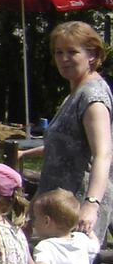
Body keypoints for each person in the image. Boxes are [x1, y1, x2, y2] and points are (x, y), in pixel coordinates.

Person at [27, 20, 112, 249]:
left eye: (72, 52)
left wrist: (91, 204)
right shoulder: (75, 92)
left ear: (92, 55)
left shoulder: (92, 96)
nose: (64, 58)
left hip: (76, 207)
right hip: (56, 204)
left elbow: (103, 154)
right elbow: (69, 146)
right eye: (58, 52)